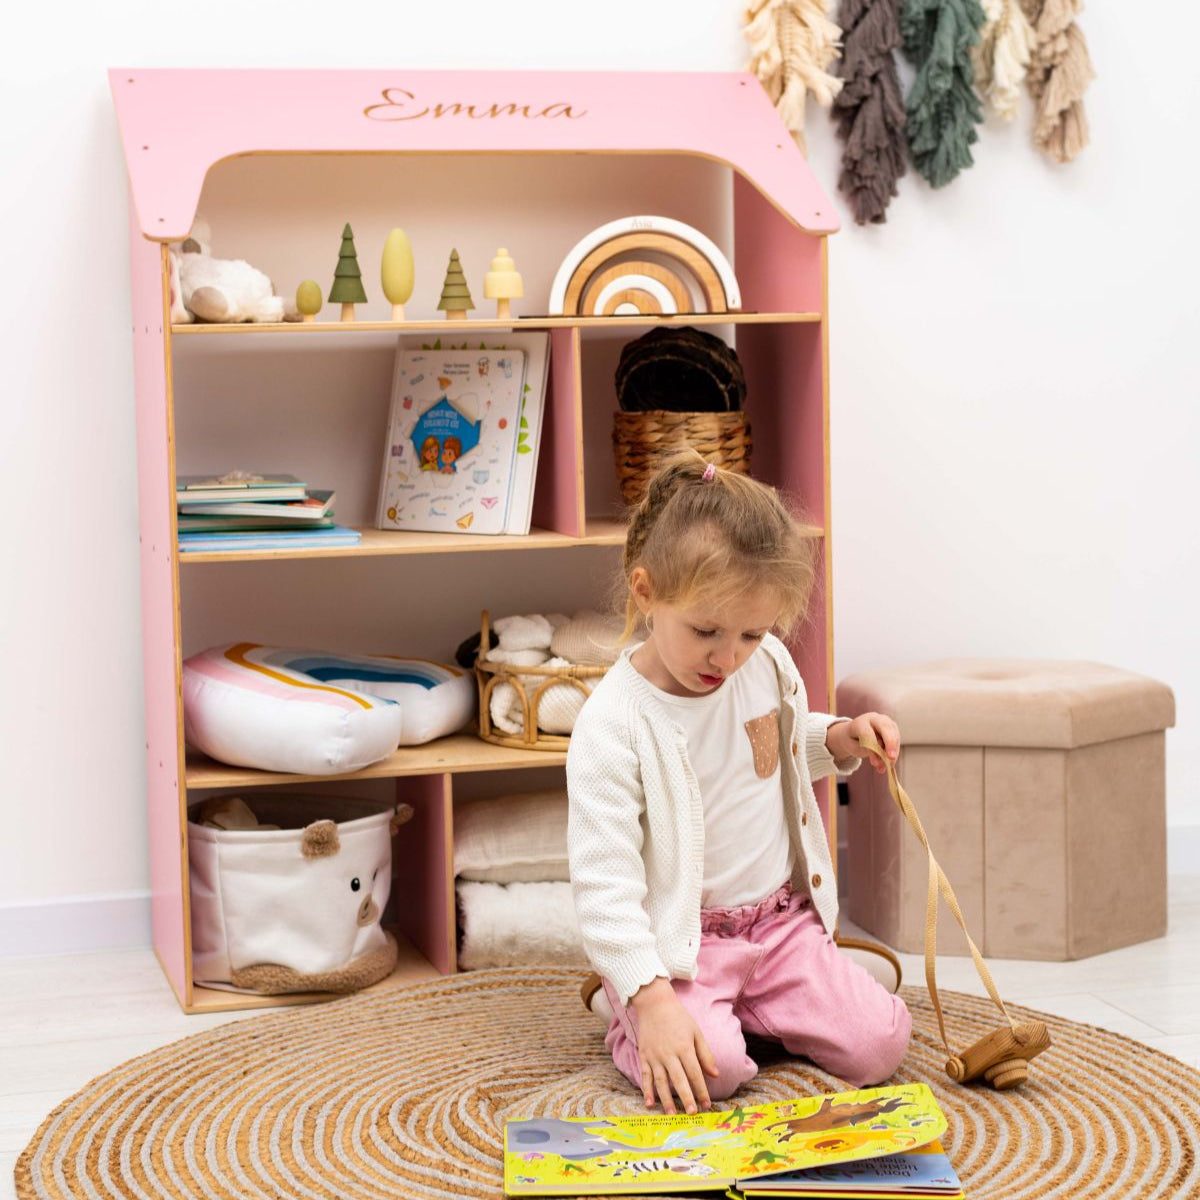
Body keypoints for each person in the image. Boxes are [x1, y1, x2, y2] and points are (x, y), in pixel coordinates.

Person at [567, 451, 910, 1116]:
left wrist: (838, 738)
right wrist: (653, 999)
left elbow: (771, 751)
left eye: (751, 633)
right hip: (685, 947)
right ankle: (630, 1009)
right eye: (707, 632)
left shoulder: (764, 666)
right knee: (713, 1074)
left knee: (882, 1044)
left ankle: (754, 1004)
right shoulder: (612, 724)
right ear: (646, 592)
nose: (728, 657)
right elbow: (602, 885)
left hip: (780, 927)